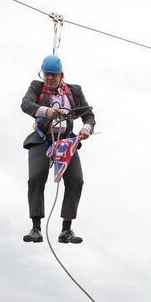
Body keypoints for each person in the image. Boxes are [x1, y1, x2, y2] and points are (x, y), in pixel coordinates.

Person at [21, 54, 96, 245]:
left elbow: (88, 115)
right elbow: (26, 104)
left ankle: (66, 229)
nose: (50, 78)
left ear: (61, 75)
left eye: (53, 75)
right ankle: (36, 227)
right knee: (36, 176)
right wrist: (46, 111)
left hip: (66, 143)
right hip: (42, 140)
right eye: (47, 75)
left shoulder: (74, 91)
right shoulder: (36, 87)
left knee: (76, 180)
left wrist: (87, 128)